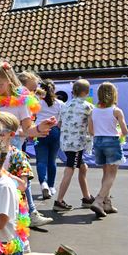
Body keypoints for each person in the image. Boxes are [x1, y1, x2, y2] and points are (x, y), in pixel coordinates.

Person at [0, 111, 53, 227]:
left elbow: (22, 186)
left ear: (11, 135)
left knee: (12, 241)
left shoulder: (17, 156)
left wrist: (2, 174)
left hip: (12, 209)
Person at [0, 61, 57, 144]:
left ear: (8, 82)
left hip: (12, 151)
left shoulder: (21, 104)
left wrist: (39, 128)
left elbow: (27, 130)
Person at [88, 82, 128, 217]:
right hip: (112, 141)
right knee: (111, 174)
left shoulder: (93, 111)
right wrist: (119, 134)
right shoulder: (116, 111)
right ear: (114, 94)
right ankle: (99, 200)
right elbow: (125, 131)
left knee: (105, 173)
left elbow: (91, 131)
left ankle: (107, 203)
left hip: (98, 142)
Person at [54, 79, 95, 211]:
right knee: (70, 169)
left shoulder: (65, 105)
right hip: (77, 144)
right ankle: (59, 201)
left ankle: (87, 198)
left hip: (66, 142)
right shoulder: (88, 106)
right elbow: (91, 129)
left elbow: (59, 124)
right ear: (87, 92)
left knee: (83, 168)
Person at [34, 79, 64, 199]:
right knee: (52, 160)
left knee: (41, 161)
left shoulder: (36, 103)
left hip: (40, 130)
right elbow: (61, 122)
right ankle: (51, 186)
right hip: (55, 131)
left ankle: (44, 183)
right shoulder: (60, 104)